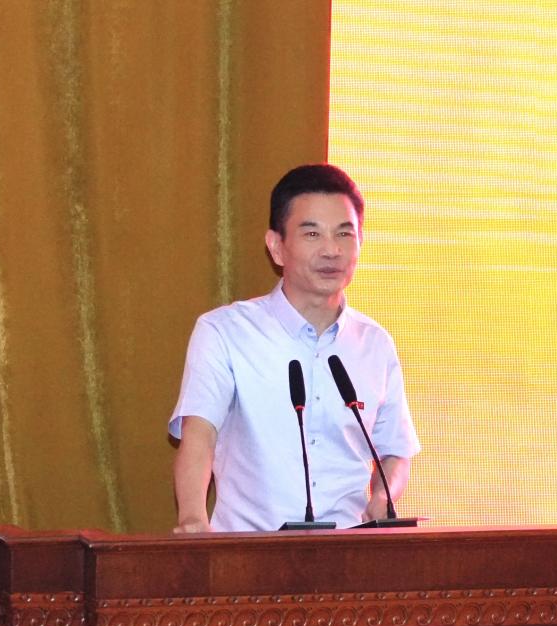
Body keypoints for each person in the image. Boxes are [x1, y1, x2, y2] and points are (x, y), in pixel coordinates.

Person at [168, 164, 420, 532]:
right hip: (249, 553)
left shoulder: (375, 343)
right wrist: (193, 519)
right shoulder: (224, 332)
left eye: (344, 233)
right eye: (312, 234)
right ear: (276, 247)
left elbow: (395, 450)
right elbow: (199, 436)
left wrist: (383, 496)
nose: (331, 250)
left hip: (350, 554)